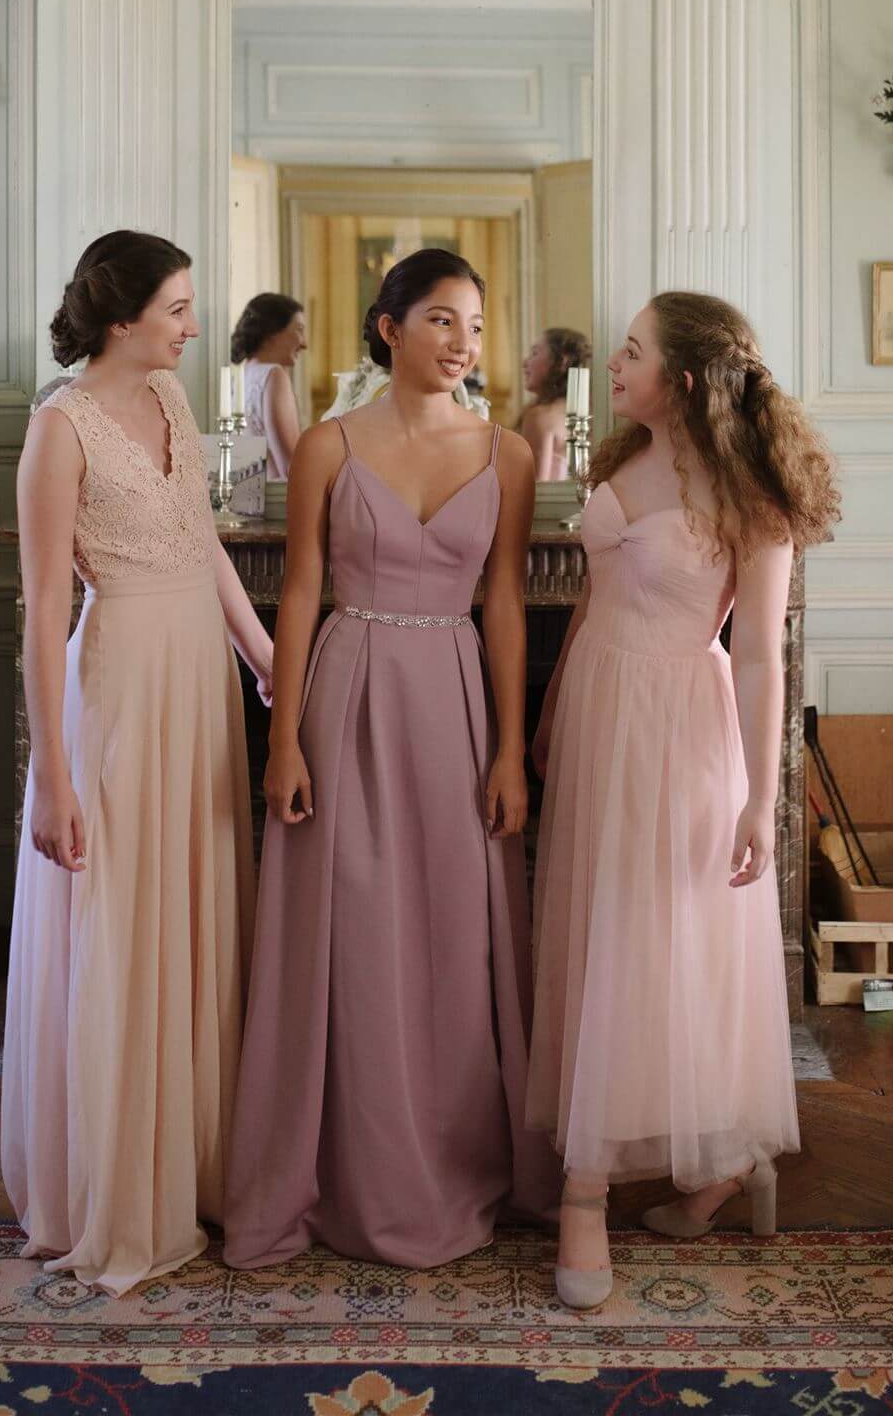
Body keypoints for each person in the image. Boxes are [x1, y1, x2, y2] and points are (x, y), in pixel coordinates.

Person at [225, 248, 559, 1269]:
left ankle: (453, 1160)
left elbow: (506, 605)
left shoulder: (506, 453)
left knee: (455, 935)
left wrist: (509, 751)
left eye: (474, 325)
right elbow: (298, 594)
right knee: (350, 932)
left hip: (453, 700)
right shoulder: (326, 446)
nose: (462, 343)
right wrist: (282, 739)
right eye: (441, 320)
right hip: (349, 692)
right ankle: (344, 1167)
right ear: (389, 328)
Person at [527, 291, 839, 1308]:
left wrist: (758, 799)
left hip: (679, 725)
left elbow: (757, 656)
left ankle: (588, 1190)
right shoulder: (619, 458)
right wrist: (549, 713)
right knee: (597, 933)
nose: (614, 366)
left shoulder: (754, 492)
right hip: (596, 708)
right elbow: (592, 598)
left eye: (632, 352)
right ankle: (715, 1166)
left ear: (686, 378)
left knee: (653, 938)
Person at [2, 229, 273, 1296]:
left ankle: (192, 1166)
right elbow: (40, 612)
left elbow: (201, 543)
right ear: (121, 320)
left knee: (190, 911)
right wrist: (52, 775)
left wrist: (260, 657)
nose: (194, 326)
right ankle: (117, 1189)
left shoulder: (170, 398)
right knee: (121, 923)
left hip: (197, 681)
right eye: (177, 309)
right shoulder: (57, 428)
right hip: (116, 688)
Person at [231, 292, 307, 478]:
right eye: (299, 330)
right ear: (273, 333)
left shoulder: (241, 375)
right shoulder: (274, 375)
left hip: (248, 491)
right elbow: (291, 469)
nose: (304, 343)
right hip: (275, 494)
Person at [515, 327, 592, 480]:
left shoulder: (540, 416)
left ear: (562, 361)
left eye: (535, 353)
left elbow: (535, 487)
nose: (525, 363)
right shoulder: (584, 413)